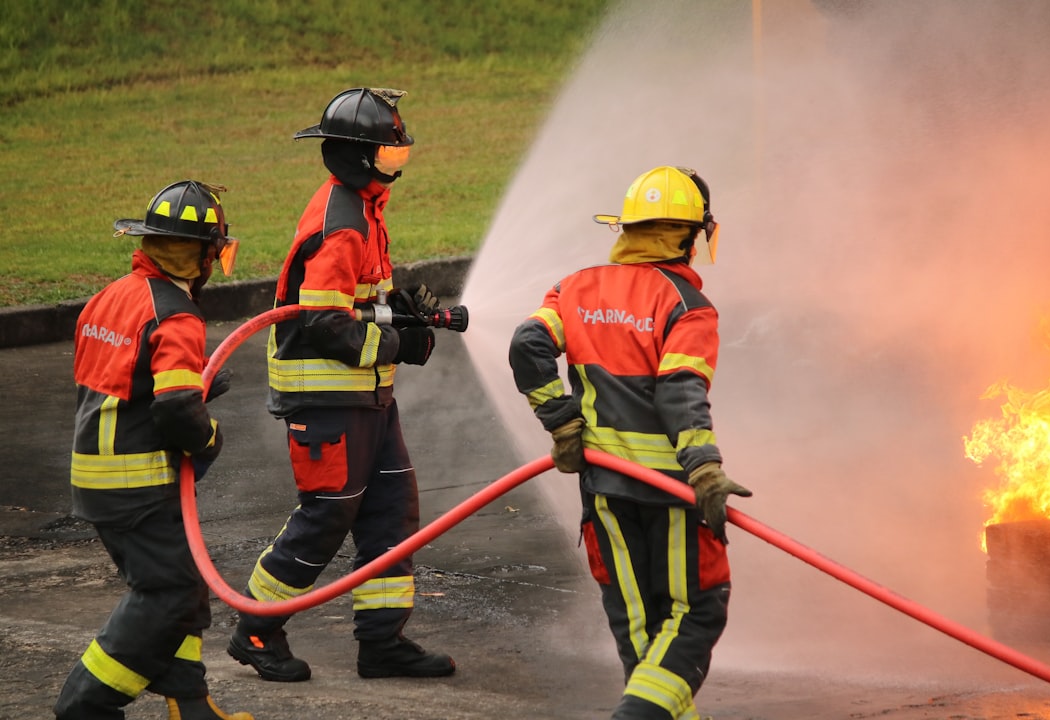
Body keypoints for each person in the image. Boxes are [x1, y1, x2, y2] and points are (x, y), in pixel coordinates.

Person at [226, 87, 455, 683]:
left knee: (390, 514)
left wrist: (400, 312)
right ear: (357, 156)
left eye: (399, 157)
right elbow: (326, 325)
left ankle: (382, 644)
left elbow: (357, 306)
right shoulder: (343, 223)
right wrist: (404, 343)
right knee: (327, 516)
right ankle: (254, 628)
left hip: (368, 396)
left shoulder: (363, 206)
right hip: (328, 396)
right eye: (388, 157)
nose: (395, 169)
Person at [508, 166, 753, 720]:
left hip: (605, 493)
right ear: (691, 238)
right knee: (696, 610)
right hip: (670, 492)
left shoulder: (574, 287)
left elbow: (528, 345)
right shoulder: (687, 305)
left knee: (638, 620)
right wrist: (705, 467)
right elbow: (679, 392)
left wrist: (563, 423)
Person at [55, 181, 250, 720]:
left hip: (96, 476)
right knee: (165, 596)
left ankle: (192, 707)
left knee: (182, 588)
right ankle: (83, 704)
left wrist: (191, 389)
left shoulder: (110, 297)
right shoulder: (178, 315)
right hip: (137, 484)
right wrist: (208, 436)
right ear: (207, 253)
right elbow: (174, 409)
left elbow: (128, 380)